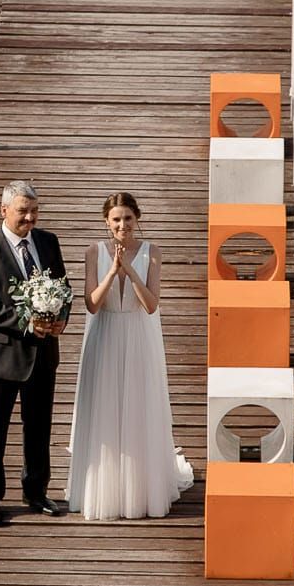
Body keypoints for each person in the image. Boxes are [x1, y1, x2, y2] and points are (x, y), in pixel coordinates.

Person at [67, 192, 193, 522]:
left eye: (128, 218)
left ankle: (140, 489)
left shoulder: (152, 252)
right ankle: (106, 489)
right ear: (107, 223)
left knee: (138, 407)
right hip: (106, 335)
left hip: (138, 337)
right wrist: (112, 271)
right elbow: (92, 304)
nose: (123, 225)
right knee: (106, 406)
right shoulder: (93, 252)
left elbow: (151, 305)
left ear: (137, 218)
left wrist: (131, 272)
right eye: (116, 220)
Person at [0, 181, 71, 526]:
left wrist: (61, 319)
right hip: (0, 356)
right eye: (23, 211)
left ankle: (36, 491)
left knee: (38, 426)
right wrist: (24, 322)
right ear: (4, 211)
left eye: (35, 211)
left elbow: (64, 288)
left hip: (42, 353)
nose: (30, 218)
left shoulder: (48, 242)